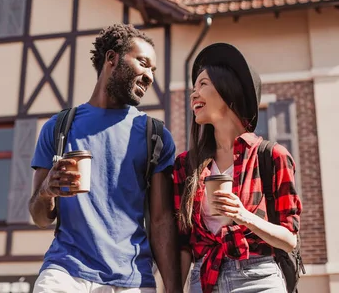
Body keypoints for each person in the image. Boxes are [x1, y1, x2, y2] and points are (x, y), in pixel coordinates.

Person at [28, 23, 182, 293]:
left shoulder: (154, 135)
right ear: (112, 58)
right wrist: (46, 190)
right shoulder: (58, 128)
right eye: (143, 63)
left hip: (132, 281)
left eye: (153, 71)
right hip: (66, 272)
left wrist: (173, 289)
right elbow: (40, 218)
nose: (149, 77)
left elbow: (161, 221)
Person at [173, 43, 302, 293]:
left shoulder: (272, 156)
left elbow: (289, 240)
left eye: (203, 84)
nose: (193, 94)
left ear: (227, 91)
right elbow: (184, 244)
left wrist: (243, 216)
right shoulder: (185, 166)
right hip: (204, 279)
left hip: (259, 278)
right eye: (193, 88)